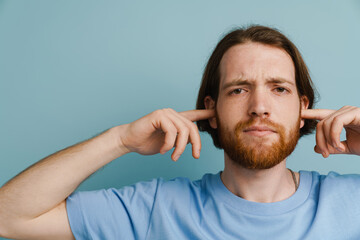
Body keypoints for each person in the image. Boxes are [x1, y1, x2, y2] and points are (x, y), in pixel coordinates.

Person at [0, 25, 359, 240]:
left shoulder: (350, 203)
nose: (259, 106)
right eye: (238, 89)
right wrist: (121, 138)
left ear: (302, 110)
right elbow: (8, 217)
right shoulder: (154, 209)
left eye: (279, 88)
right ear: (212, 110)